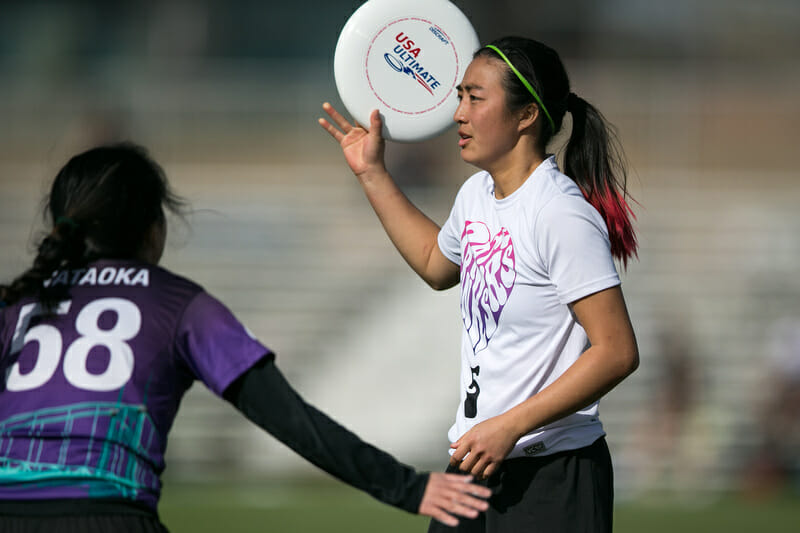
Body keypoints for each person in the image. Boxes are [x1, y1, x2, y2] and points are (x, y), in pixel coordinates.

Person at [0, 143, 492, 532]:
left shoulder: (17, 304)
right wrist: (407, 487)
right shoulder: (178, 304)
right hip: (109, 516)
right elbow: (289, 419)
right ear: (154, 227)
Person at [319, 36, 639, 532]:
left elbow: (616, 351)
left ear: (526, 115)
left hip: (552, 477)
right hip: (475, 467)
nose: (459, 114)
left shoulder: (559, 213)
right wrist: (373, 174)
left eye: (475, 97)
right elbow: (435, 264)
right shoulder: (476, 195)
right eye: (459, 97)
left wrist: (509, 426)